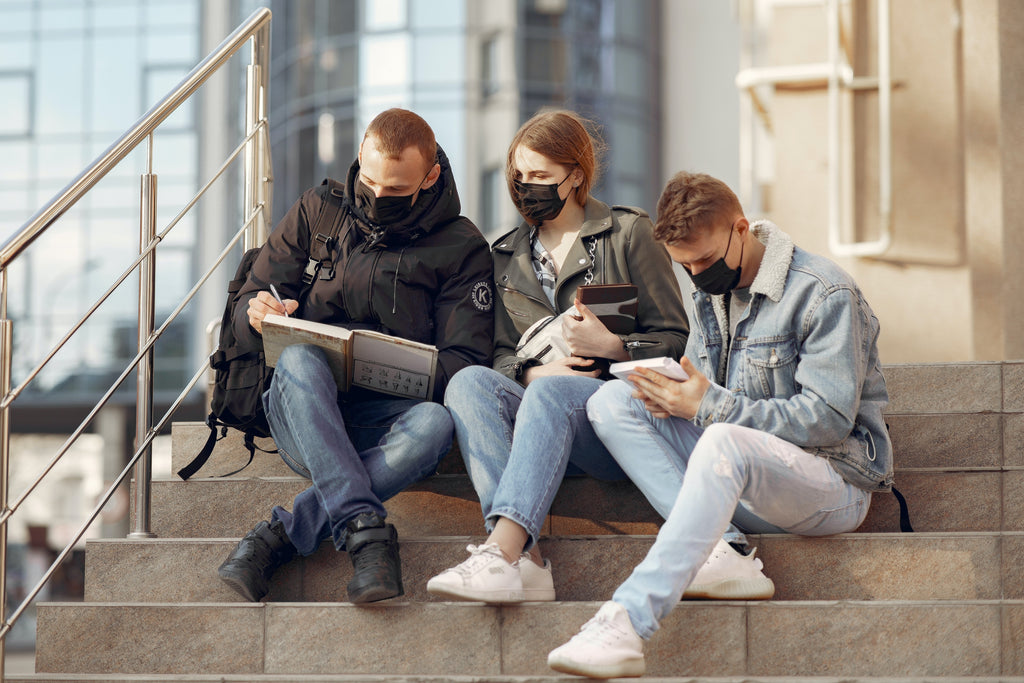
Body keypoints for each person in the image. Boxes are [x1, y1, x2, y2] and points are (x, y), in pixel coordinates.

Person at [546, 171, 893, 678]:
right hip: (737, 477)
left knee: (725, 437)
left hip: (832, 485)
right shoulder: (710, 296)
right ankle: (722, 550)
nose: (697, 276)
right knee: (611, 403)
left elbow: (828, 422)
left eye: (705, 260)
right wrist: (671, 396)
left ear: (741, 229)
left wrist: (708, 406)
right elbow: (704, 397)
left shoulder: (824, 293)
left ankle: (625, 622)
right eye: (686, 267)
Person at [216, 108, 494, 605]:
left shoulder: (462, 247)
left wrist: (384, 361)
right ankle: (365, 534)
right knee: (301, 359)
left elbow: (464, 363)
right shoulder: (317, 210)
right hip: (302, 409)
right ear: (358, 157)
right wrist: (257, 315)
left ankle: (279, 535)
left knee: (434, 424)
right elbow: (243, 308)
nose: (377, 197)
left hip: (386, 415)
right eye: (368, 181)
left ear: (430, 177)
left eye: (395, 190)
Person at [426, 110, 689, 604]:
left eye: (541, 177)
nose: (527, 187)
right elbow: (497, 352)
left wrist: (613, 348)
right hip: (534, 417)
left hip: (606, 424)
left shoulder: (629, 234)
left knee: (552, 391)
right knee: (467, 383)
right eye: (519, 176)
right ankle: (525, 560)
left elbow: (674, 336)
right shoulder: (501, 256)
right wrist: (529, 371)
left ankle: (502, 553)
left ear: (575, 176)